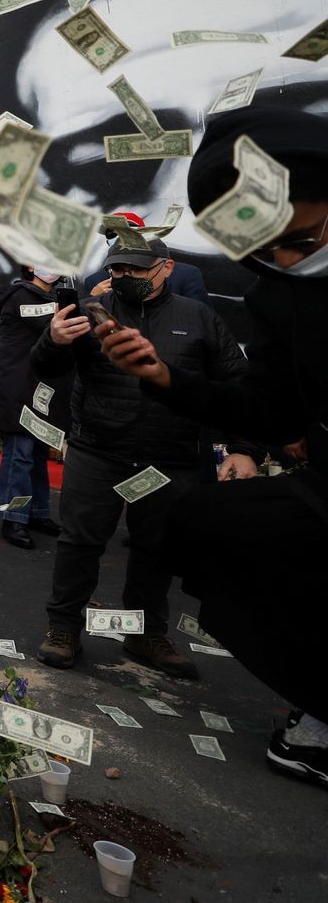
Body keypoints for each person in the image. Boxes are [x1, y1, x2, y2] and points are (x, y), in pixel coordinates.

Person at [97, 105, 328, 788]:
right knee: (199, 523)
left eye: (305, 237)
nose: (289, 261)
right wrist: (162, 376)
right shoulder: (279, 298)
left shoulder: (198, 314)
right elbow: (261, 403)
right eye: (266, 253)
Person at [31, 237, 246, 678]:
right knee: (79, 543)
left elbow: (234, 385)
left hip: (170, 458)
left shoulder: (198, 317)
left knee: (156, 550)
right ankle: (64, 628)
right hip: (98, 450)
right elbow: (45, 368)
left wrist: (244, 447)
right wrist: (52, 340)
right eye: (118, 271)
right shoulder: (91, 314)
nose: (124, 279)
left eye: (135, 270)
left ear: (165, 268)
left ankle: (146, 635)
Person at [0, 266, 67, 548]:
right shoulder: (21, 295)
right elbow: (49, 325)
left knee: (38, 451)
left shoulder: (50, 297)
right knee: (20, 453)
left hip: (38, 386)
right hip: (15, 384)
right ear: (30, 265)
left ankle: (38, 512)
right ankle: (14, 518)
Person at [83, 212, 210, 302]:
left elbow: (202, 322)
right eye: (111, 233)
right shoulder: (94, 282)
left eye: (127, 230)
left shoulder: (185, 275)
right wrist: (93, 301)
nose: (119, 236)